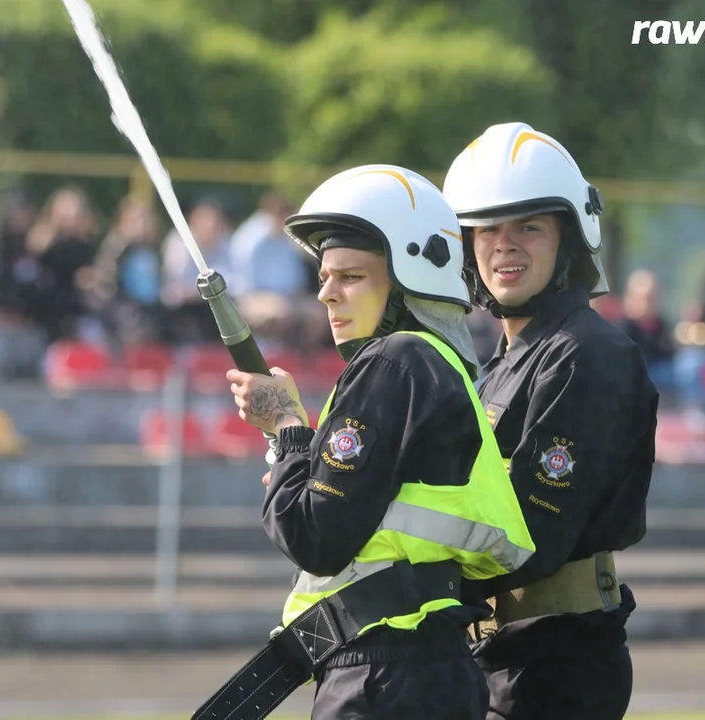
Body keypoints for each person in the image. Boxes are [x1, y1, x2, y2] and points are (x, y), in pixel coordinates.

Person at [196, 165, 537, 720]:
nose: (327, 294)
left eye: (351, 277)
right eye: (324, 276)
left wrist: (287, 428)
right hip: (420, 666)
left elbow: (315, 537)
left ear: (407, 282)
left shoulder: (394, 360)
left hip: (386, 675)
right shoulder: (433, 367)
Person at [442, 122, 659, 720]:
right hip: (502, 654)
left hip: (556, 669)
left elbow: (528, 536)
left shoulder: (586, 354)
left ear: (569, 240)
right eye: (486, 229)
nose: (503, 245)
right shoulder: (505, 361)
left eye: (529, 227)